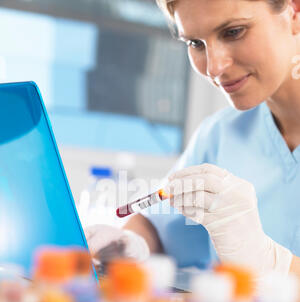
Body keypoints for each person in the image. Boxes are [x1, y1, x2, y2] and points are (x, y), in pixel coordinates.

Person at [86, 0, 300, 281]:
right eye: (196, 43)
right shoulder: (222, 133)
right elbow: (158, 226)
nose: (214, 67)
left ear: (294, 11)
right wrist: (132, 247)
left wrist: (272, 266)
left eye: (234, 31)